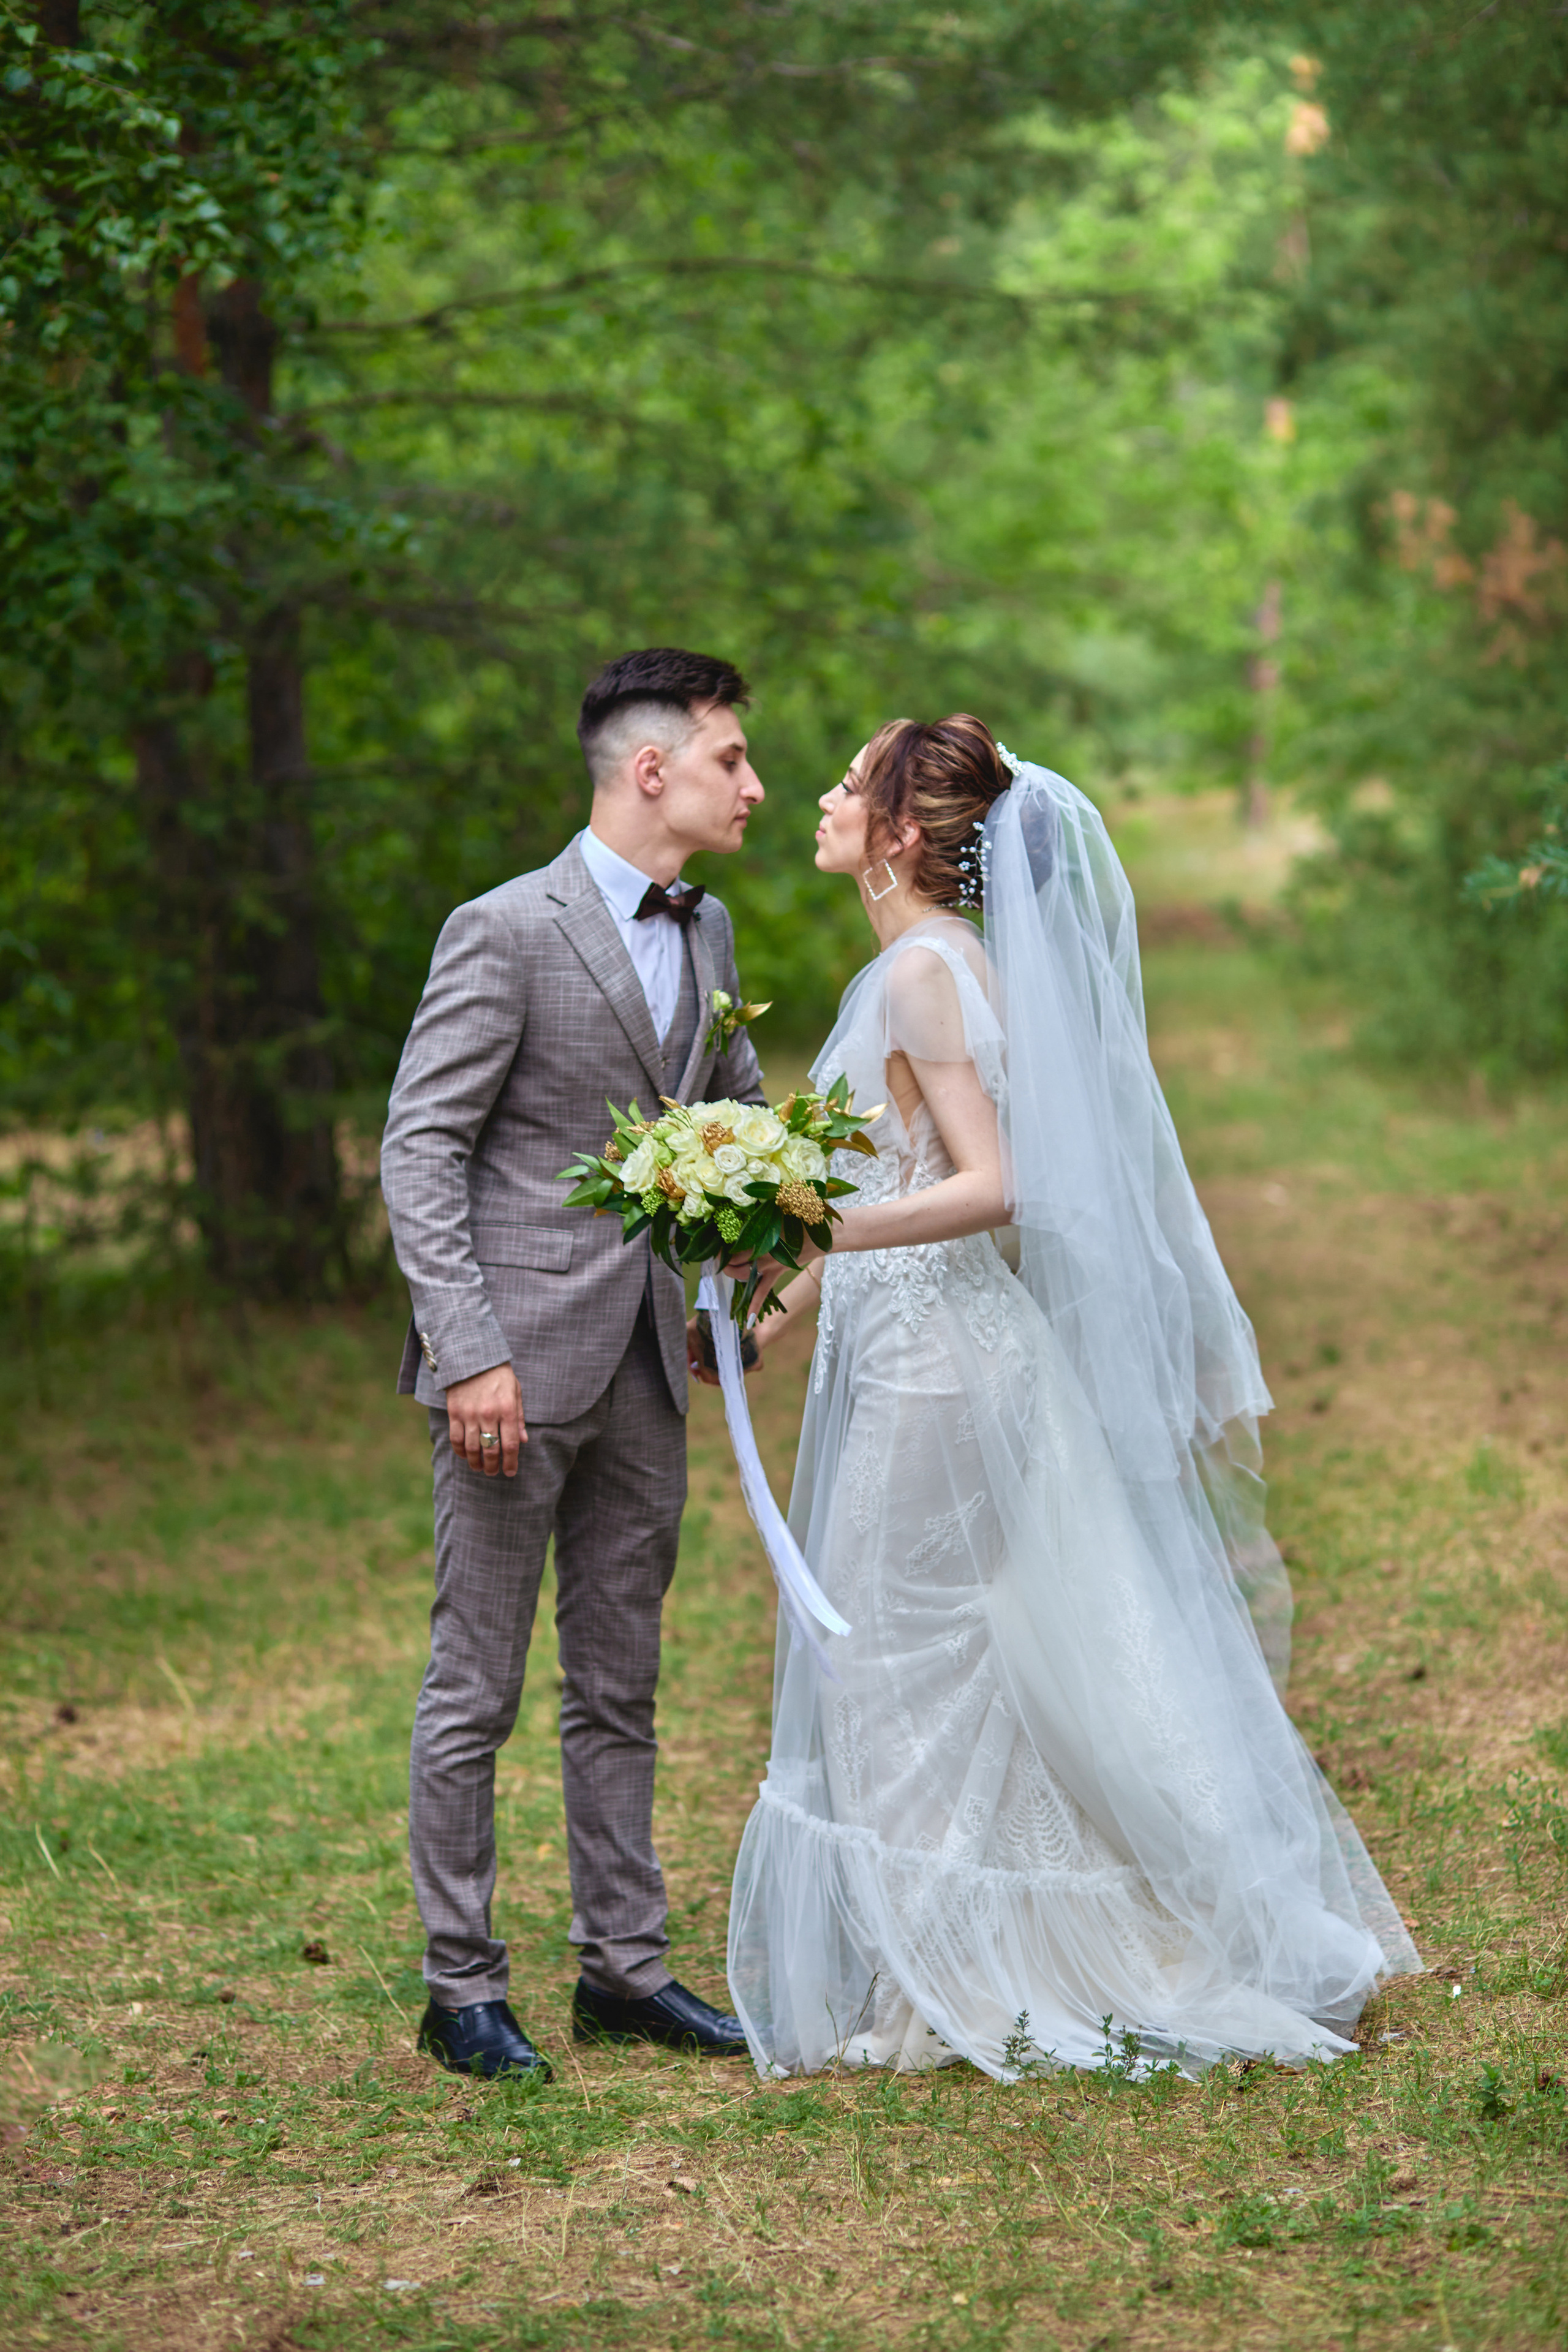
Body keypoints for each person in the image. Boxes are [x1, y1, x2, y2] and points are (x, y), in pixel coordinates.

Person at [725, 716, 1419, 2078]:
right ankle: (956, 1948)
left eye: (848, 784)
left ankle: (952, 1978)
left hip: (943, 1371)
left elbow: (990, 1192)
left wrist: (818, 1233)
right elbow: (885, 1178)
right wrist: (766, 1309)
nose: (818, 796)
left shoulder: (924, 974)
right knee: (952, 1666)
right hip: (927, 1355)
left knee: (892, 1665)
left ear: (900, 835)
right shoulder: (922, 967)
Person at [382, 647, 769, 2078]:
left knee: (621, 1682)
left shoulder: (711, 928)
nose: (754, 784)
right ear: (651, 767)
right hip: (512, 1373)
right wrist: (467, 1351)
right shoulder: (502, 927)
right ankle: (460, 1988)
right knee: (473, 1686)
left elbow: (724, 1116)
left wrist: (748, 1263)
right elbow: (422, 1148)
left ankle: (625, 1968)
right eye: (733, 758)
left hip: (651, 1363)